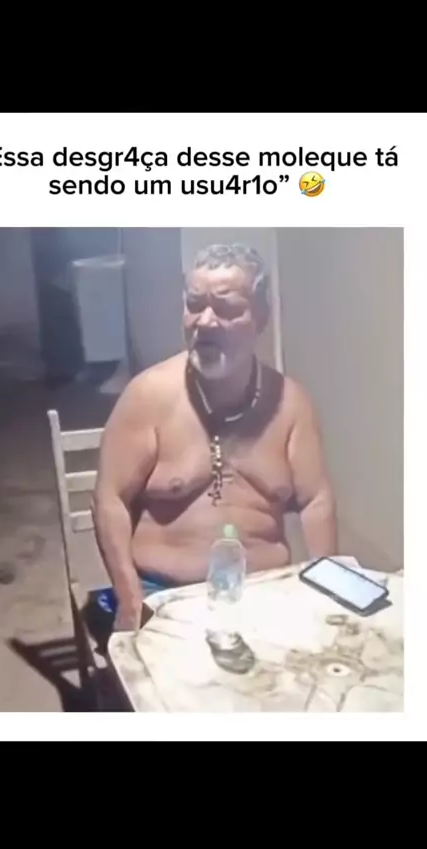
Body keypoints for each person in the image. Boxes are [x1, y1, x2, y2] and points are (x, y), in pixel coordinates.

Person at [92, 243, 337, 631]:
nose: (205, 322)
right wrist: (129, 600)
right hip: (165, 596)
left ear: (260, 317)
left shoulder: (291, 403)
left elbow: (315, 500)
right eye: (194, 305)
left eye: (226, 308)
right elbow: (109, 500)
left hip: (268, 591)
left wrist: (330, 589)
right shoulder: (148, 396)